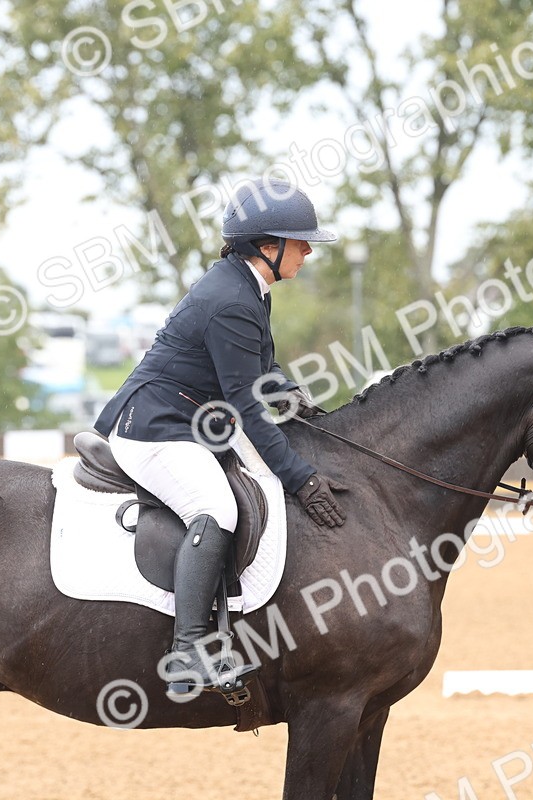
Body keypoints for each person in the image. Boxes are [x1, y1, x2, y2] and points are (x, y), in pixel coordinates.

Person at [94, 179, 346, 696]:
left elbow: (260, 369)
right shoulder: (232, 297)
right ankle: (188, 651)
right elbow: (246, 407)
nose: (307, 252)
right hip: (153, 429)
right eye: (300, 243)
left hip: (188, 421)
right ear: (267, 246)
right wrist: (300, 478)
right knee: (218, 508)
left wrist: (293, 395)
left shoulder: (247, 286)